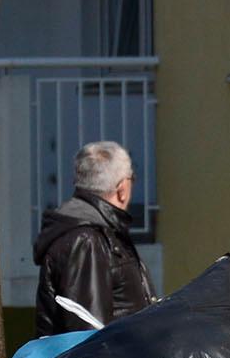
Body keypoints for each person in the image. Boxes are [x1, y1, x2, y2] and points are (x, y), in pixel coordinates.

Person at [33, 140, 154, 337]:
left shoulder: (101, 233)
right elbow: (87, 333)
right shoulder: (86, 241)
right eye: (132, 178)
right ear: (122, 189)